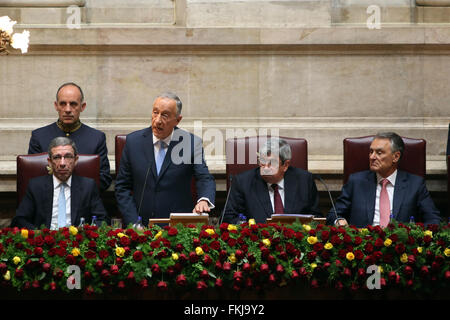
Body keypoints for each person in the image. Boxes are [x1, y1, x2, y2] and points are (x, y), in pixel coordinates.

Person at [115, 92, 216, 226]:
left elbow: (204, 177)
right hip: (140, 226)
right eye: (155, 112)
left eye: (165, 115)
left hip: (178, 229)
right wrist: (134, 223)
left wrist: (204, 200)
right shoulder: (133, 142)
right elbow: (122, 187)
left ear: (177, 120)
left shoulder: (190, 144)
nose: (157, 120)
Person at [328, 132, 441, 228]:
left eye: (379, 153)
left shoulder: (415, 184)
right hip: (362, 247)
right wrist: (339, 221)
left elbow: (433, 218)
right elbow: (335, 214)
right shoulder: (356, 181)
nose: (372, 157)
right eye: (371, 152)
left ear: (395, 157)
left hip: (401, 248)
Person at [28, 82, 112, 192]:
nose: (68, 109)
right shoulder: (39, 137)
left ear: (82, 107)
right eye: (63, 104)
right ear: (56, 106)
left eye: (73, 104)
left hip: (84, 203)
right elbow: (32, 178)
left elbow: (104, 179)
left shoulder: (96, 138)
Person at [12, 137, 107, 230]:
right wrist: (39, 235)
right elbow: (20, 220)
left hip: (77, 242)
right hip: (44, 242)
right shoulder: (36, 186)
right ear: (49, 162)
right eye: (57, 157)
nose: (62, 163)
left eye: (68, 157)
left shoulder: (88, 186)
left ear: (76, 160)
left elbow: (102, 220)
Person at [223, 138, 321, 224]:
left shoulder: (304, 181)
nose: (265, 168)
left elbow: (316, 218)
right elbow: (228, 218)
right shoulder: (243, 182)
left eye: (271, 163)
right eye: (262, 162)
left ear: (285, 165)